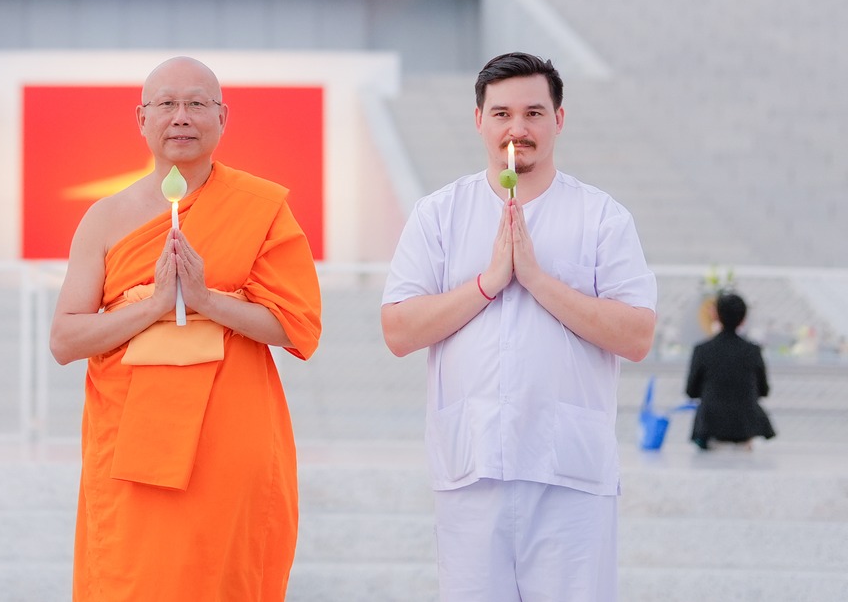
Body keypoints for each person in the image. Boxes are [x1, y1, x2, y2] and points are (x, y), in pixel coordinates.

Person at [381, 52, 657, 602]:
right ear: (479, 120)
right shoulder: (439, 214)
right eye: (502, 113)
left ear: (559, 119)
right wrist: (489, 282)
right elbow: (399, 330)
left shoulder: (601, 216)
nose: (518, 128)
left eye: (534, 112)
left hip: (570, 474)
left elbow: (636, 335)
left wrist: (533, 278)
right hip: (472, 469)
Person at [50, 56, 322, 602]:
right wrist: (153, 306)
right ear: (141, 118)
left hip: (230, 444)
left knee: (223, 579)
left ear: (223, 117)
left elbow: (298, 326)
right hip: (131, 444)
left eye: (197, 103)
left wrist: (202, 300)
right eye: (166, 104)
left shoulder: (260, 207)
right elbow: (65, 339)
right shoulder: (105, 218)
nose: (182, 117)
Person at [686, 291, 774, 450]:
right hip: (745, 428)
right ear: (743, 319)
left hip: (710, 428)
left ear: (716, 316)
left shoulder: (702, 350)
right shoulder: (752, 351)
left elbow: (691, 391)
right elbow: (763, 390)